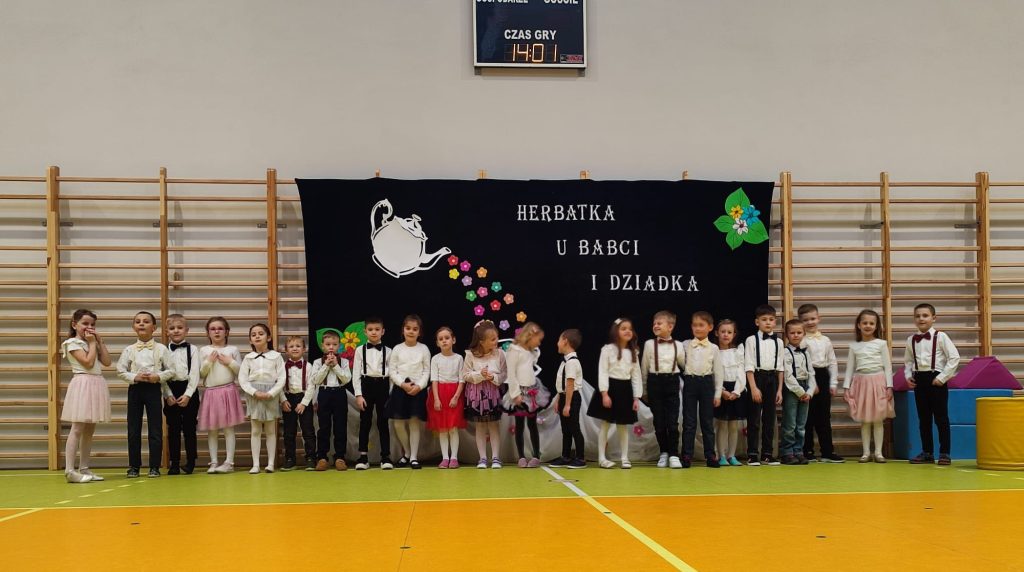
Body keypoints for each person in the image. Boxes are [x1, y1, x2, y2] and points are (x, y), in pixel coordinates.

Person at [116, 311, 177, 478]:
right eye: (138, 321)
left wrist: (158, 376)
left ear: (154, 327)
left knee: (155, 429)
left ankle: (154, 466)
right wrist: (134, 377)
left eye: (146, 321)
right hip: (135, 389)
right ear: (134, 327)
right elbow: (120, 370)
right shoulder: (129, 350)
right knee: (133, 429)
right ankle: (134, 466)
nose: (141, 324)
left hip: (153, 389)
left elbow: (171, 370)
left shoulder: (161, 349)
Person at [905, 303, 961, 466]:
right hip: (919, 380)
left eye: (925, 315)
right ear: (914, 319)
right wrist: (908, 376)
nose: (921, 318)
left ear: (934, 318)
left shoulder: (941, 337)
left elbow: (954, 357)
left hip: (936, 380)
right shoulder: (911, 340)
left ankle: (945, 453)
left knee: (941, 418)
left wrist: (942, 377)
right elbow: (908, 361)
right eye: (917, 316)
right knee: (924, 419)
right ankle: (927, 452)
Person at [61, 309, 112, 483]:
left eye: (93, 324)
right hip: (83, 383)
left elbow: (107, 362)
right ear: (74, 324)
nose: (89, 327)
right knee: (77, 428)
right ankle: (70, 470)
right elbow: (88, 363)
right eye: (85, 323)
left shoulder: (91, 342)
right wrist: (91, 343)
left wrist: (99, 342)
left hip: (96, 383)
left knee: (89, 429)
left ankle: (84, 468)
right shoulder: (71, 343)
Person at [587, 318, 642, 469]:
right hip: (610, 389)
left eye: (630, 329)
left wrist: (636, 397)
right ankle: (601, 458)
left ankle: (624, 457)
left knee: (623, 426)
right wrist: (604, 394)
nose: (627, 331)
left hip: (625, 391)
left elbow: (636, 375)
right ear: (615, 332)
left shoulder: (634, 352)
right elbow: (603, 372)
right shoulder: (608, 350)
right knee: (605, 424)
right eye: (623, 328)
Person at [842, 310, 894, 463]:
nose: (868, 326)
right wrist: (846, 387)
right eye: (865, 323)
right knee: (864, 420)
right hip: (861, 383)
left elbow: (888, 367)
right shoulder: (854, 346)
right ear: (859, 325)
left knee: (878, 419)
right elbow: (850, 368)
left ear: (876, 326)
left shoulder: (881, 344)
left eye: (871, 323)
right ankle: (866, 453)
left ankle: (878, 453)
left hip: (878, 382)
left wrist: (889, 386)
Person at [198, 317, 244, 474]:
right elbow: (201, 373)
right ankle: (213, 462)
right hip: (211, 392)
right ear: (208, 333)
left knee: (228, 428)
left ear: (227, 332)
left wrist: (231, 362)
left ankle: (229, 462)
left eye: (220, 328)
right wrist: (208, 362)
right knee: (212, 429)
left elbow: (241, 372)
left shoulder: (233, 349)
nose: (216, 331)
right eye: (213, 329)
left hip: (228, 391)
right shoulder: (204, 350)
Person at [640, 311, 686, 469]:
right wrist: (644, 391)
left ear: (670, 326)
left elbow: (685, 365)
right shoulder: (649, 344)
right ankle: (664, 452)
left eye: (659, 323)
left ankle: (674, 454)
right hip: (654, 383)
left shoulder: (678, 345)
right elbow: (644, 368)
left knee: (673, 423)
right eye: (654, 323)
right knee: (659, 422)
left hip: (672, 382)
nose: (656, 325)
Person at [238, 323, 286, 473]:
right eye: (253, 335)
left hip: (271, 393)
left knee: (271, 430)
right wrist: (254, 392)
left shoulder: (276, 356)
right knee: (255, 430)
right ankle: (256, 464)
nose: (257, 336)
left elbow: (282, 378)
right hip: (254, 394)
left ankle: (270, 463)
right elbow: (242, 379)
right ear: (250, 340)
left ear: (269, 337)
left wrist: (271, 393)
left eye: (261, 333)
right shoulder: (248, 358)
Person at [798, 304, 843, 463]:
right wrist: (811, 383)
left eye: (813, 318)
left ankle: (827, 451)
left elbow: (832, 362)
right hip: (807, 376)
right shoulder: (801, 341)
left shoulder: (825, 340)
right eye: (805, 320)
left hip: (823, 376)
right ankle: (807, 450)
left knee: (824, 416)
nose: (810, 322)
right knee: (807, 416)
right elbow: (802, 363)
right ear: (800, 322)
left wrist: (833, 383)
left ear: (819, 319)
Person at [387, 314, 431, 469]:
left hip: (417, 390)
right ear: (403, 330)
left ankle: (413, 457)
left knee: (414, 423)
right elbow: (392, 371)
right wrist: (402, 384)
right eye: (408, 328)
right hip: (400, 389)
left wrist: (419, 386)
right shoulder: (397, 349)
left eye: (415, 329)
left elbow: (427, 371)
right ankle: (407, 452)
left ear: (420, 332)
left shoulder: (424, 349)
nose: (411, 331)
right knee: (398, 423)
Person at [681, 311, 724, 468]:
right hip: (690, 383)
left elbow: (718, 372)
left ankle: (710, 456)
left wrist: (718, 394)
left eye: (701, 325)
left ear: (710, 327)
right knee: (689, 421)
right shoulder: (685, 345)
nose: (697, 328)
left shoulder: (714, 348)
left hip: (706, 384)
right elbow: (680, 362)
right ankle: (686, 455)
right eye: (695, 325)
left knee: (707, 422)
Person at [462, 320, 507, 469]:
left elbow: (504, 375)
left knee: (494, 425)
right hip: (476, 396)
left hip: (493, 394)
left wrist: (493, 377)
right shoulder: (470, 355)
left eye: (496, 338)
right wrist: (480, 375)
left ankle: (496, 457)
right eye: (492, 339)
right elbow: (465, 375)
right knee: (480, 426)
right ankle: (482, 458)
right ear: (481, 341)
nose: (496, 341)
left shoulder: (500, 354)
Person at [743, 305, 784, 466]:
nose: (768, 322)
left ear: (775, 322)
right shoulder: (751, 340)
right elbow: (748, 365)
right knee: (754, 419)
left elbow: (780, 367)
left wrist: (779, 390)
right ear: (757, 322)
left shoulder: (779, 342)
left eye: (771, 319)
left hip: (772, 379)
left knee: (769, 418)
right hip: (757, 378)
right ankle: (752, 454)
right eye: (764, 319)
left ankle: (767, 453)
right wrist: (753, 387)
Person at [504, 322, 549, 468]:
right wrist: (515, 394)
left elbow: (529, 367)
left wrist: (533, 351)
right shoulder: (514, 350)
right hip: (520, 393)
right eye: (538, 339)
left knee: (532, 424)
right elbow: (511, 374)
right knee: (520, 425)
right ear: (530, 336)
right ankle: (521, 456)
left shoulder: (531, 352)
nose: (539, 343)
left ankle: (536, 456)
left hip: (532, 392)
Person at [353, 317, 393, 470]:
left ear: (383, 331)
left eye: (377, 329)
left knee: (383, 423)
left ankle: (385, 457)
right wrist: (358, 395)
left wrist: (390, 394)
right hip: (366, 386)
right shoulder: (359, 350)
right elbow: (356, 374)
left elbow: (392, 375)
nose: (374, 332)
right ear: (365, 332)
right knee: (365, 422)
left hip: (383, 386)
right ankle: (363, 457)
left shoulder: (389, 351)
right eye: (370, 330)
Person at [164, 314, 200, 475]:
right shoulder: (163, 350)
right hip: (170, 389)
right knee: (173, 429)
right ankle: (174, 463)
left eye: (179, 328)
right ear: (167, 331)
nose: (176, 331)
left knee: (190, 428)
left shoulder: (193, 349)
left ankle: (191, 462)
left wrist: (188, 395)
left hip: (189, 390)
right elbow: (161, 373)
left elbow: (195, 374)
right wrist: (167, 394)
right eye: (172, 328)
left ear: (186, 330)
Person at [311, 330, 352, 471]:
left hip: (340, 393)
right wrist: (326, 365)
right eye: (328, 344)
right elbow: (316, 380)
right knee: (323, 427)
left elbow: (346, 379)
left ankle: (340, 457)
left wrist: (335, 365)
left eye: (334, 344)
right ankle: (322, 457)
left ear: (339, 346)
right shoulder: (317, 362)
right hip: (324, 393)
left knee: (340, 426)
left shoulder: (344, 362)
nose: (331, 347)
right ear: (322, 346)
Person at [426, 326, 466, 468]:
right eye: (441, 339)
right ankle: (445, 458)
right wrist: (436, 399)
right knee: (442, 428)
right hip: (439, 394)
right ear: (437, 343)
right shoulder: (435, 359)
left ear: (453, 340)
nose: (444, 341)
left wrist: (456, 397)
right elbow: (434, 380)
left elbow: (462, 380)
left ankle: (454, 458)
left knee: (453, 428)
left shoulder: (459, 358)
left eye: (447, 338)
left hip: (454, 394)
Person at [548, 329, 586, 469]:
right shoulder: (565, 361)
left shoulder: (572, 362)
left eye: (559, 340)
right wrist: (559, 400)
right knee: (566, 429)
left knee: (574, 428)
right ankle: (565, 456)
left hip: (572, 398)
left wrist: (568, 405)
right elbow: (563, 385)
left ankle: (580, 458)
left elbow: (570, 384)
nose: (557, 343)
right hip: (565, 396)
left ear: (565, 341)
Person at [781, 319, 815, 465]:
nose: (796, 335)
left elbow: (811, 373)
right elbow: (788, 376)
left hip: (805, 387)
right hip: (792, 389)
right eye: (792, 333)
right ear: (786, 335)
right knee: (790, 424)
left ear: (804, 334)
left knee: (801, 424)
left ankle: (798, 451)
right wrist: (800, 392)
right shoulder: (785, 352)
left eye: (799, 332)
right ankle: (787, 452)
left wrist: (810, 392)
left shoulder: (806, 352)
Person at [280, 336, 317, 471]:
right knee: (289, 432)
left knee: (308, 430)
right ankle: (290, 459)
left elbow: (312, 386)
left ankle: (311, 458)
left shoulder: (309, 366)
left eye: (298, 346)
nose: (295, 348)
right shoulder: (282, 367)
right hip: (288, 399)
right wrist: (283, 400)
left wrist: (304, 403)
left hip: (304, 399)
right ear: (286, 350)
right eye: (291, 346)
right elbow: (278, 385)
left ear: (304, 349)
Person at [713, 319, 745, 467]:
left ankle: (731, 455)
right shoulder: (714, 351)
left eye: (729, 332)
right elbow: (713, 373)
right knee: (722, 425)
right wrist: (721, 391)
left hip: (736, 390)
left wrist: (737, 391)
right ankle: (721, 456)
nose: (726, 335)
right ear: (717, 333)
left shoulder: (738, 351)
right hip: (721, 389)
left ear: (734, 334)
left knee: (733, 426)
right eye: (723, 332)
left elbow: (741, 372)